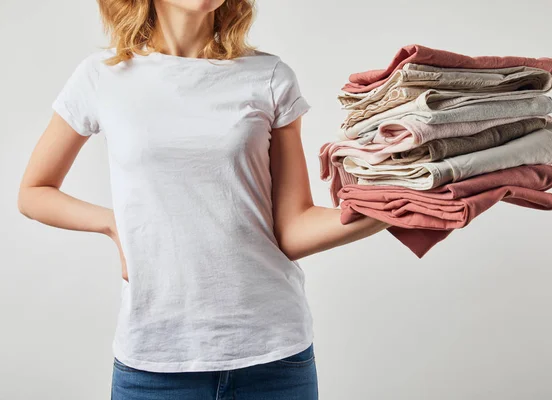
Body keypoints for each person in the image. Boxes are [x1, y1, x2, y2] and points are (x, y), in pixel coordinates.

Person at [17, 0, 391, 398]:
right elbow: (34, 192)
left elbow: (293, 228)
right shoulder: (101, 76)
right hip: (155, 362)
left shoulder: (269, 76)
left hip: (274, 358)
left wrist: (402, 206)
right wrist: (113, 224)